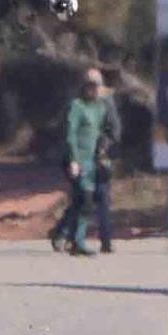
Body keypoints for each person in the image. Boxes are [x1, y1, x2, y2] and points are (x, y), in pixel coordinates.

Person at [55, 68, 116, 257]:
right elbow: (70, 134)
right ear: (85, 87)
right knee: (85, 199)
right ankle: (76, 240)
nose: (96, 90)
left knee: (83, 202)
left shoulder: (100, 107)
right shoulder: (76, 106)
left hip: (92, 160)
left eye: (98, 86)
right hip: (76, 159)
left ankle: (71, 238)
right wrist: (73, 159)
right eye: (92, 86)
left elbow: (106, 129)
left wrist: (104, 145)